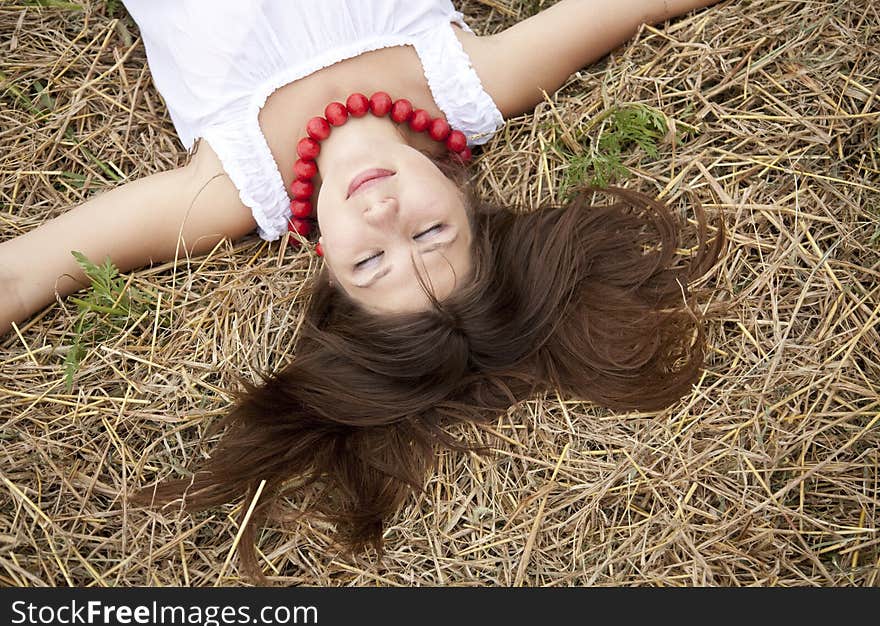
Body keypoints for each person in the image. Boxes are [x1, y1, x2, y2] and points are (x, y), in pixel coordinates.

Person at [0, 0, 725, 580]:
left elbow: (24, 272)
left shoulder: (235, 187)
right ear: (464, 200)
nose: (383, 215)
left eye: (372, 263)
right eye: (432, 234)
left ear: (329, 275)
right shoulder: (467, 83)